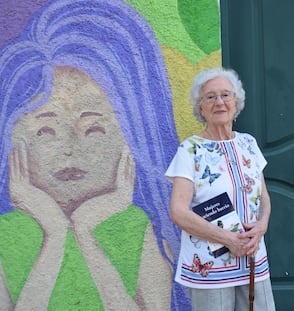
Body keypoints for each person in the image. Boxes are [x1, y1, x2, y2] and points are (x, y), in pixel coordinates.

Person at [0, 0, 188, 310]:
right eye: (45, 131)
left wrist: (86, 232)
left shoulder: (138, 229)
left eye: (94, 129)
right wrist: (56, 234)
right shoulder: (7, 234)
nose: (70, 147)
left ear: (128, 140)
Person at [165, 67, 276, 311]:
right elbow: (178, 212)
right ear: (200, 107)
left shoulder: (248, 143)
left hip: (252, 259)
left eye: (226, 95)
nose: (219, 102)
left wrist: (262, 226)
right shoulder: (190, 150)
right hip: (209, 265)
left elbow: (263, 197)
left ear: (236, 103)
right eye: (210, 97)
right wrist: (228, 239)